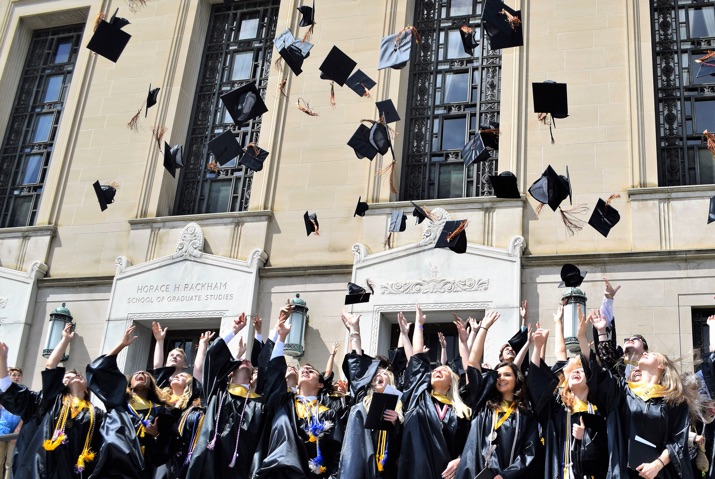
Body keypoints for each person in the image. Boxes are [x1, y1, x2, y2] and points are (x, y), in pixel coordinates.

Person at [579, 311, 693, 479]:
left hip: (658, 473)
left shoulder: (674, 400)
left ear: (662, 366)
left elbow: (678, 441)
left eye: (653, 354)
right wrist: (583, 337)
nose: (646, 353)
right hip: (625, 472)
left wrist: (657, 465)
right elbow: (600, 375)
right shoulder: (623, 392)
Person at [186, 311, 289, 479]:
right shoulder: (217, 393)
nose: (245, 360)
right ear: (229, 373)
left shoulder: (260, 402)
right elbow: (212, 356)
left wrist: (280, 336)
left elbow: (272, 370)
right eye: (241, 361)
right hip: (211, 464)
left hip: (244, 466)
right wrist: (234, 329)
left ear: (251, 375)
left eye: (249, 362)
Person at [0, 323, 107, 479]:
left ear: (86, 388)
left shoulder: (95, 415)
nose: (74, 376)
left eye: (79, 376)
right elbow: (9, 389)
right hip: (37, 470)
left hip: (71, 472)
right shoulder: (45, 402)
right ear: (60, 384)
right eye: (67, 377)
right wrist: (3, 360)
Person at [456, 311, 539, 479]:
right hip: (473, 472)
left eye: (507, 374)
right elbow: (472, 364)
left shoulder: (524, 414)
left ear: (517, 380)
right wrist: (484, 329)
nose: (501, 378)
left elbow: (529, 452)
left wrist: (505, 475)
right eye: (498, 375)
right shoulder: (483, 403)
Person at [397, 305, 476, 479]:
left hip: (446, 474)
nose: (437, 371)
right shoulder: (418, 398)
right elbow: (417, 358)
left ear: (452, 383)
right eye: (434, 370)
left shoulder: (461, 411)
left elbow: (472, 443)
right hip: (415, 471)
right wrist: (419, 325)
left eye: (444, 370)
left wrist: (460, 460)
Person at [528, 322, 608, 479]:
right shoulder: (557, 408)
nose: (576, 372)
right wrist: (537, 347)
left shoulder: (599, 410)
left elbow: (607, 448)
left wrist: (584, 436)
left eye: (581, 371)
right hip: (560, 473)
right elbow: (534, 385)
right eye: (573, 371)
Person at [339, 311, 404, 479]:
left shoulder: (401, 403)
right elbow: (357, 366)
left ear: (390, 378)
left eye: (382, 374)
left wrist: (396, 423)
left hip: (389, 471)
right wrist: (354, 331)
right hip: (363, 468)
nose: (378, 376)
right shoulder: (362, 399)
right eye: (375, 376)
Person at [0, 367, 22, 478]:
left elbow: (24, 414)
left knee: (10, 463)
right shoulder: (2, 393)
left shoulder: (23, 393)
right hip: (1, 431)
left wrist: (18, 428)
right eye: (13, 375)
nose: (16, 377)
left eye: (18, 375)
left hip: (15, 433)